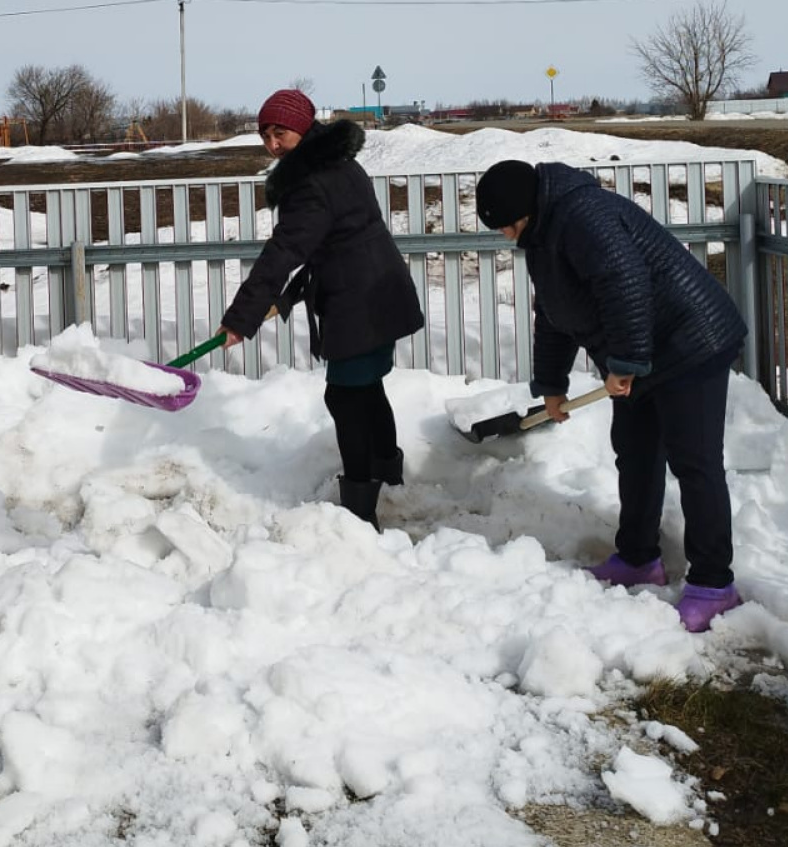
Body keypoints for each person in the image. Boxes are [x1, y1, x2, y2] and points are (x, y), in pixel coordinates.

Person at [475, 159, 747, 632]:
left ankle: (714, 584)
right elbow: (555, 313)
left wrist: (624, 361)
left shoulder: (584, 216)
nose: (505, 236)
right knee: (636, 453)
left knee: (694, 462)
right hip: (645, 350)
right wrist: (552, 386)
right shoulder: (542, 236)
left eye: (507, 225)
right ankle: (640, 559)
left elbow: (626, 285)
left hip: (692, 340)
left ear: (526, 209)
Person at [217, 89, 425, 529]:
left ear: (304, 127)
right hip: (377, 289)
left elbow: (286, 249)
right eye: (265, 135)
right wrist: (284, 297)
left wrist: (241, 316)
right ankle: (389, 474)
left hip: (359, 299)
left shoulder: (310, 181)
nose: (273, 143)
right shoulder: (338, 162)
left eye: (281, 132)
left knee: (345, 396)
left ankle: (360, 510)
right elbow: (331, 241)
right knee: (366, 389)